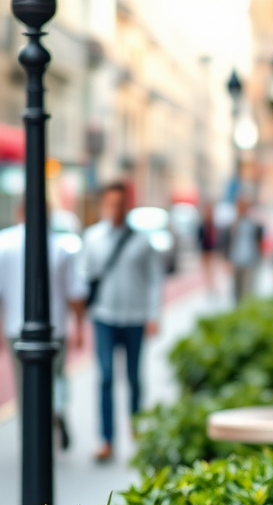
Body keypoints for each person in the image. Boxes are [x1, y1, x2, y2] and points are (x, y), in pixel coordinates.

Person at [81, 181, 162, 463]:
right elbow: (85, 280)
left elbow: (154, 280)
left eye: (120, 203)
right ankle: (106, 439)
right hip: (104, 317)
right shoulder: (92, 238)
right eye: (111, 203)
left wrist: (154, 315)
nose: (115, 209)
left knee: (133, 378)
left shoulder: (142, 240)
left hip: (135, 318)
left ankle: (137, 430)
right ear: (104, 205)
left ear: (127, 204)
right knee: (104, 378)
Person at [0, 203, 87, 449]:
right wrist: (79, 326)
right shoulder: (61, 247)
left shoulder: (3, 243)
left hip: (14, 329)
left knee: (24, 385)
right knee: (56, 378)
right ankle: (56, 409)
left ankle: (29, 436)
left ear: (19, 213)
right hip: (56, 328)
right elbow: (76, 293)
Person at [224, 197, 263, 305]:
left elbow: (259, 241)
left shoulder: (254, 223)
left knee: (248, 291)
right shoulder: (233, 224)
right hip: (236, 260)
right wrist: (227, 261)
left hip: (250, 260)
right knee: (236, 291)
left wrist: (260, 258)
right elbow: (227, 243)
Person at [197, 202, 220, 293]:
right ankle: (209, 286)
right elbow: (199, 237)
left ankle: (213, 285)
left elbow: (217, 239)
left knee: (212, 269)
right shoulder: (203, 223)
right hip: (204, 249)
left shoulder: (214, 224)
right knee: (206, 269)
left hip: (212, 249)